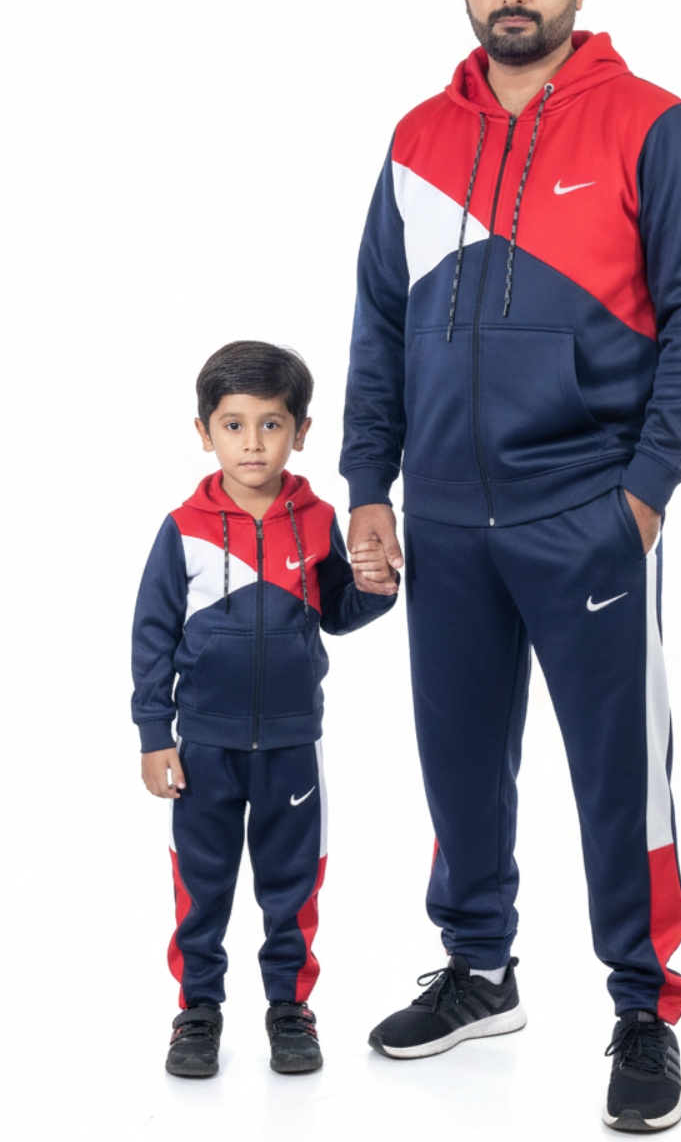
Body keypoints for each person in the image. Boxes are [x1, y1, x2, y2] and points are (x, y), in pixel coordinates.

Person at [341, 0, 681, 1132]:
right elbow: (379, 326)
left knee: (619, 774)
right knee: (459, 759)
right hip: (444, 519)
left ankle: (641, 1006)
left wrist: (644, 493)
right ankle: (479, 969)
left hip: (587, 513)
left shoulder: (651, 124)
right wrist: (368, 486)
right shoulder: (417, 138)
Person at [131, 340, 397, 1078]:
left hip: (291, 746)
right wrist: (154, 734)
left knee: (292, 886)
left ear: (300, 432)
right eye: (234, 424)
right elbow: (151, 637)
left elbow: (336, 611)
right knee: (202, 886)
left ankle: (290, 1009)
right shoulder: (181, 529)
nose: (253, 442)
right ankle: (198, 1012)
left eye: (271, 424)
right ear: (204, 432)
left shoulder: (317, 521)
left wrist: (375, 589)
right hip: (202, 749)